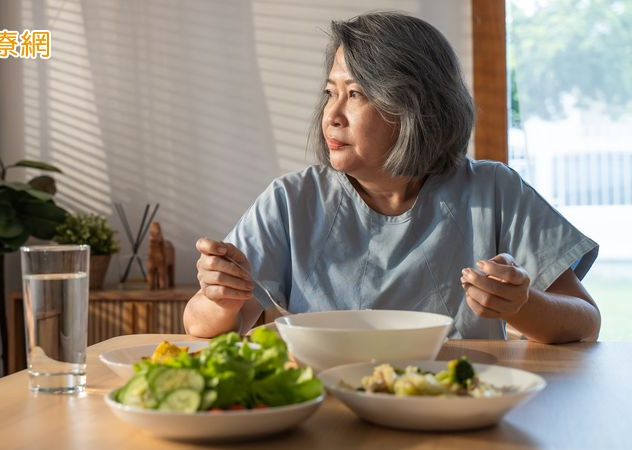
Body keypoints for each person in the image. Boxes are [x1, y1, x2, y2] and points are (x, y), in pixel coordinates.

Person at [183, 12, 600, 343]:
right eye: (331, 92)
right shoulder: (291, 200)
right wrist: (221, 299)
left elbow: (585, 321)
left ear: (414, 107)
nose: (332, 114)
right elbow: (200, 326)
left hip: (455, 405)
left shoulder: (495, 191)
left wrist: (521, 305)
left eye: (357, 94)